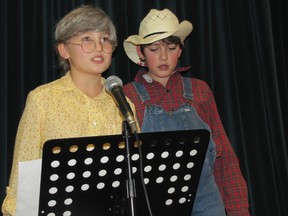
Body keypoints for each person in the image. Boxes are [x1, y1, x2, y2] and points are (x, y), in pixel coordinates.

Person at [2, 5, 138, 216]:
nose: (98, 47)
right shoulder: (42, 100)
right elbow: (23, 170)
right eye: (86, 39)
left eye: (105, 39)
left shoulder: (123, 103)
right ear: (64, 50)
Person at [123, 8, 250, 215]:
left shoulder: (200, 90)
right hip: (154, 202)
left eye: (171, 48)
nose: (164, 56)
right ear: (141, 53)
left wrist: (239, 210)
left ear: (180, 50)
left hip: (207, 201)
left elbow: (223, 155)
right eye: (154, 49)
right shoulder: (129, 96)